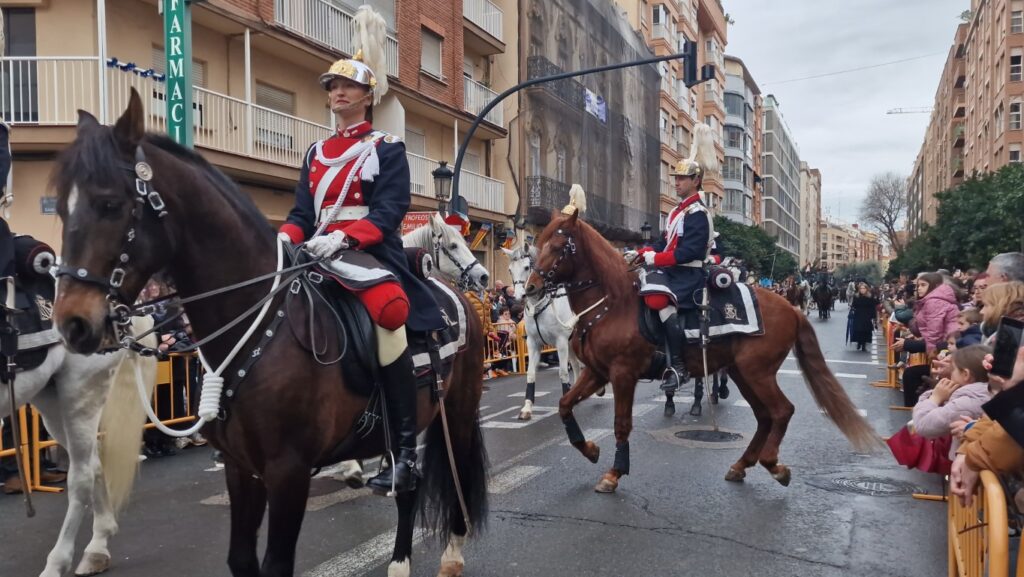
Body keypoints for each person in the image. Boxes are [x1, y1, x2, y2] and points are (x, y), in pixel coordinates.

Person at [276, 7, 444, 495]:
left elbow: (390, 212)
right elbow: (301, 213)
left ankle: (404, 449)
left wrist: (345, 238)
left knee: (388, 318)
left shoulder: (386, 147)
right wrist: (286, 238)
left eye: (347, 87)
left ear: (369, 96)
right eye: (331, 87)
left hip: (370, 252)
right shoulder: (314, 152)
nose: (337, 93)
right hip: (315, 252)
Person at [636, 123, 717, 398]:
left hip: (688, 276)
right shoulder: (676, 212)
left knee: (659, 301)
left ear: (696, 180)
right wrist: (641, 253)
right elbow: (665, 242)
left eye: (682, 178)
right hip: (672, 272)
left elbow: (689, 252)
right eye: (676, 177)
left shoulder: (698, 213)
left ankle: (679, 366)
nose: (676, 181)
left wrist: (656, 257)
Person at [849, 282, 878, 351]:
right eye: (861, 288)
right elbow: (854, 305)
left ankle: (864, 345)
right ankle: (859, 342)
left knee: (866, 330)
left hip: (867, 316)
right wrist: (852, 308)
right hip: (858, 315)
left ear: (866, 289)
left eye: (864, 288)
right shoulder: (856, 296)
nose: (862, 290)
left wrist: (873, 317)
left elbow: (873, 307)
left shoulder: (870, 297)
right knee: (858, 330)